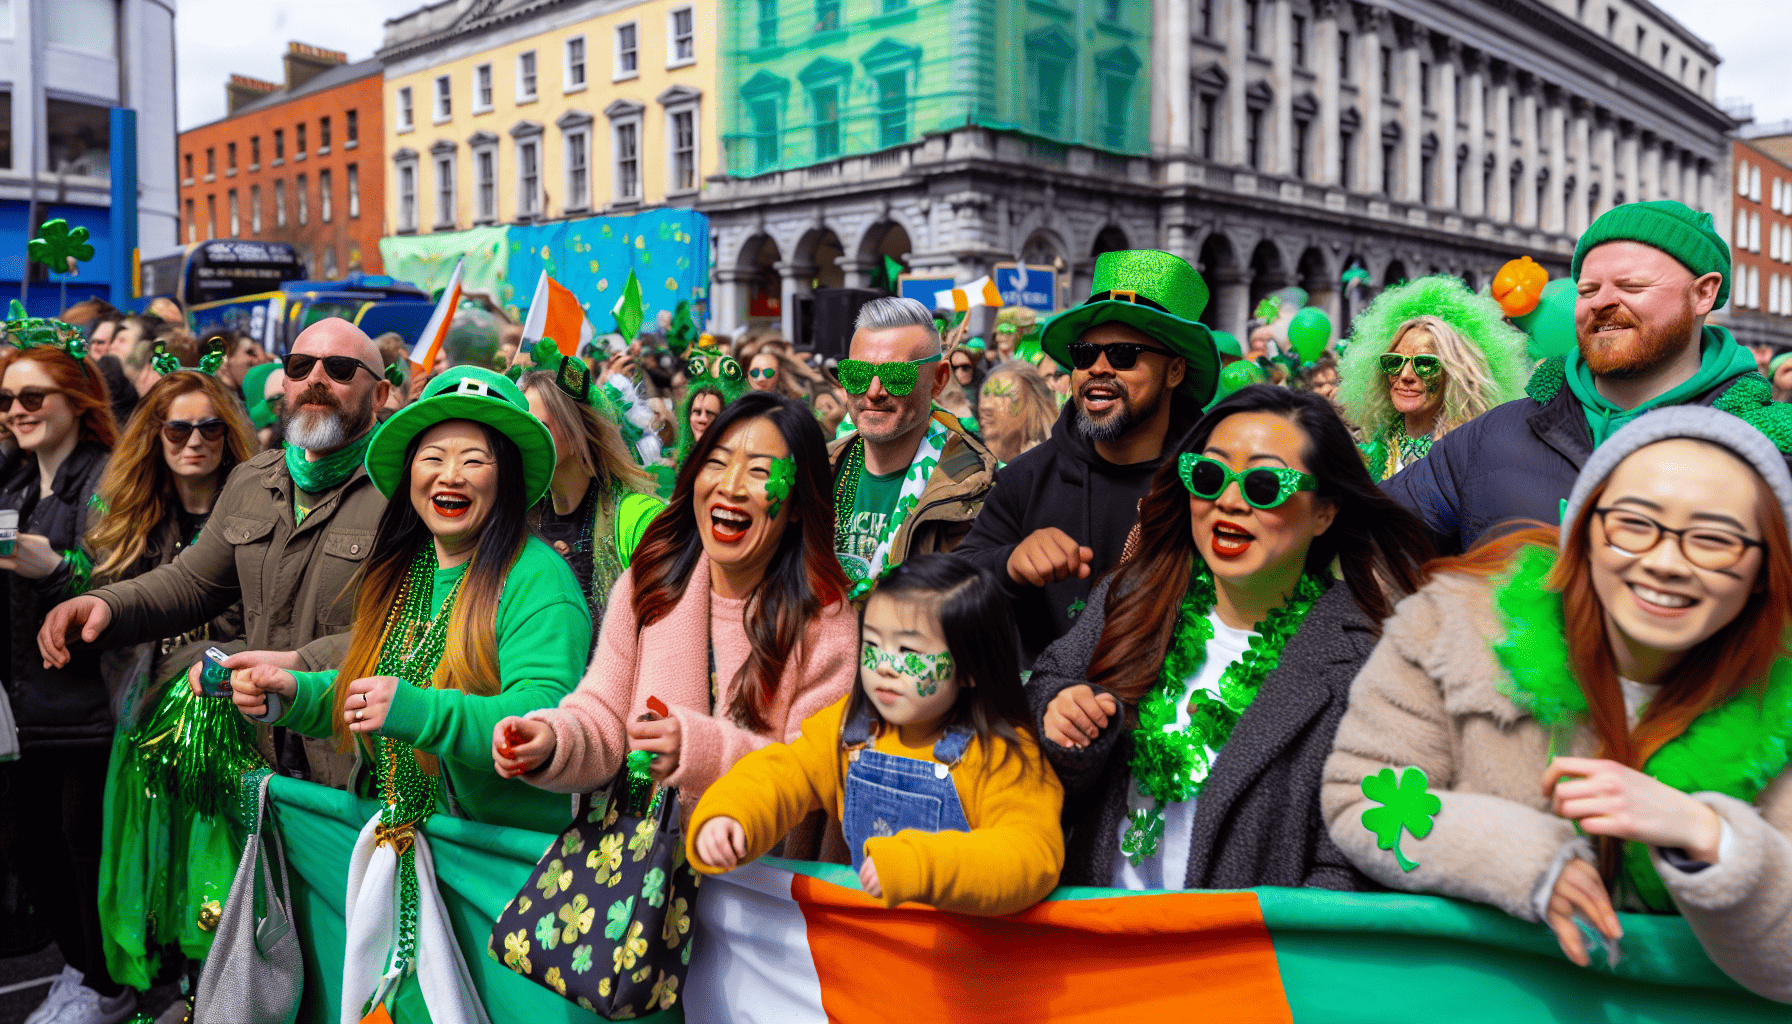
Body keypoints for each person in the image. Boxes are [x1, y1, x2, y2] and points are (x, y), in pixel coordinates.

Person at [1324, 406, 1792, 1003]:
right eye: (1633, 524)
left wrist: (1709, 838)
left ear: (1761, 571)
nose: (1667, 563)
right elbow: (1362, 796)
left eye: (1715, 540)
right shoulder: (1454, 628)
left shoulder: (1783, 707)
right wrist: (1528, 860)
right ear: (1586, 530)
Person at [225, 365, 590, 1023]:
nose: (450, 475)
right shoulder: (409, 570)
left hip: (496, 878)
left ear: (505, 477)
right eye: (434, 457)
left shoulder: (540, 581)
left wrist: (421, 713)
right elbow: (376, 688)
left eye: (473, 460)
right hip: (405, 861)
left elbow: (543, 718)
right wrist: (296, 695)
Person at [1029, 386, 1434, 892]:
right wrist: (1060, 718)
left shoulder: (1368, 663)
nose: (1227, 501)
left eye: (1264, 485)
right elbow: (1042, 696)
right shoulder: (1130, 596)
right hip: (1096, 944)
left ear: (1325, 511)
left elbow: (1351, 864)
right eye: (1209, 475)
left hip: (1241, 961)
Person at [493, 392, 858, 858]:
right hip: (635, 881)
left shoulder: (826, 621)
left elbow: (814, 776)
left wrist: (698, 749)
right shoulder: (650, 582)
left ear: (800, 504)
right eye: (717, 463)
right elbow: (603, 713)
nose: (731, 486)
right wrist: (552, 740)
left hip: (758, 899)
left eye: (761, 472)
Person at [39, 317, 395, 787]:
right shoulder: (253, 480)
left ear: (381, 395)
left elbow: (411, 626)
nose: (316, 380)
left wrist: (299, 666)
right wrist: (106, 603)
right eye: (300, 365)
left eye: (341, 369)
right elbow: (192, 582)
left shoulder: (403, 488)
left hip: (356, 771)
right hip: (262, 766)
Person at [1386, 200, 1792, 553]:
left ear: (1703, 293)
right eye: (1587, 289)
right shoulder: (1494, 433)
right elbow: (1372, 544)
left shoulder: (1770, 448)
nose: (1601, 302)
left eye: (1632, 285)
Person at [689, 555, 1064, 915]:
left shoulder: (1004, 755)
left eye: (908, 650)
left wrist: (918, 866)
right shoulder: (850, 729)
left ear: (970, 667)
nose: (884, 666)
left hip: (956, 964)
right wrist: (730, 815)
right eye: (872, 645)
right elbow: (784, 774)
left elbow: (1031, 855)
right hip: (866, 951)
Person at [84, 369, 255, 1010]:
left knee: (221, 886)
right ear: (156, 436)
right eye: (178, 428)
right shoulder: (131, 518)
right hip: (147, 726)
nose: (194, 441)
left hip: (231, 733)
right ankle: (179, 997)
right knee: (153, 879)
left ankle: (225, 997)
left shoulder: (258, 508)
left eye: (210, 427)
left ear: (227, 433)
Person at [956, 250, 1220, 664]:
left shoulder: (1214, 484)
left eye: (1123, 355)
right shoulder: (1026, 479)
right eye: (1084, 355)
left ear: (1175, 371)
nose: (1097, 368)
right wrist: (1009, 563)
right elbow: (953, 588)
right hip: (1044, 715)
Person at [0, 333, 130, 1024]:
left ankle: (106, 984)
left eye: (30, 397)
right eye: (5, 400)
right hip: (22, 704)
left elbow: (125, 583)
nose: (15, 412)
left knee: (83, 852)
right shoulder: (16, 480)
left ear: (76, 402)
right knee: (29, 847)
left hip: (86, 705)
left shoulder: (105, 479)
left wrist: (57, 569)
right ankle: (81, 971)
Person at [828, 298, 997, 596]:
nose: (873, 392)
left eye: (897, 376)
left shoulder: (979, 490)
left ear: (939, 379)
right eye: (857, 374)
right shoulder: (816, 468)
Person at [1336, 277, 1529, 482]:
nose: (1406, 375)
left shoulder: (1474, 452)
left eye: (1425, 363)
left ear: (1454, 374)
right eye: (1394, 362)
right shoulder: (1370, 451)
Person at [519, 361, 665, 632]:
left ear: (574, 432)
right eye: (522, 428)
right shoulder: (520, 518)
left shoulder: (637, 517)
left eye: (540, 427)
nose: (527, 440)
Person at [674, 351, 747, 466]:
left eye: (710, 413)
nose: (702, 419)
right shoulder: (681, 462)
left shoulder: (734, 465)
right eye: (697, 412)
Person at [978, 360, 1057, 465]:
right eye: (986, 394)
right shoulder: (969, 462)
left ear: (1034, 405)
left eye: (1003, 395)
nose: (986, 406)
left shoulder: (1057, 462)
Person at [949, 344, 986, 420]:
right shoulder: (947, 389)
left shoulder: (985, 385)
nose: (959, 373)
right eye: (954, 368)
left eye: (965, 367)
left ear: (973, 366)